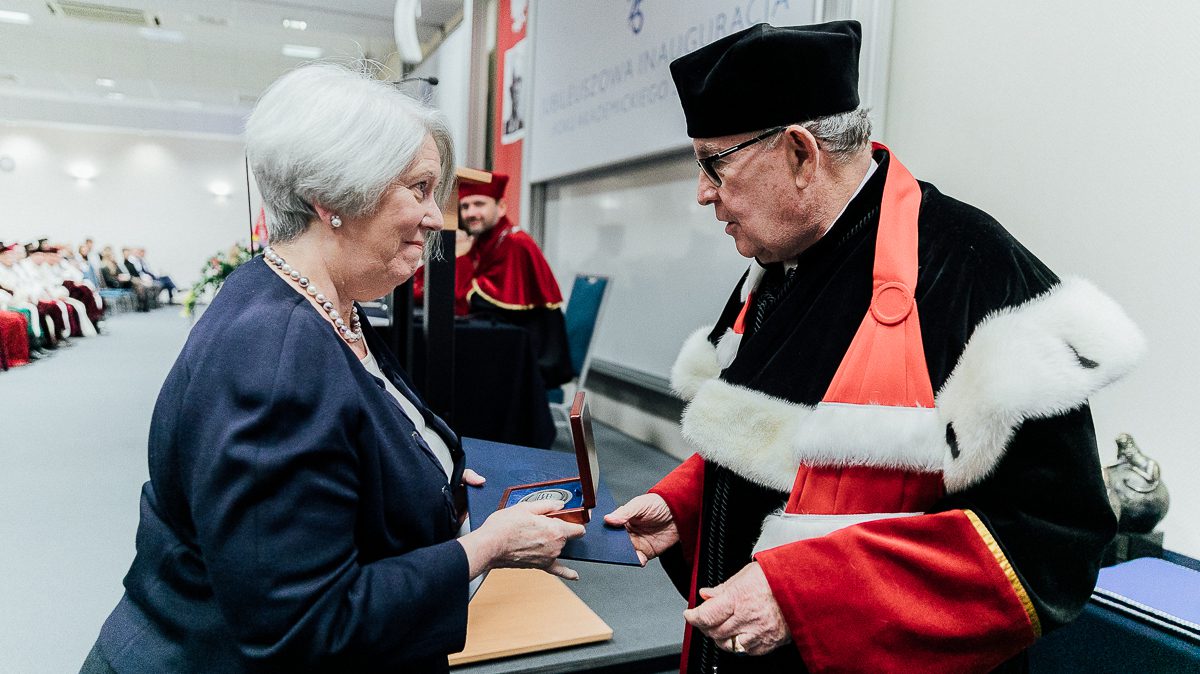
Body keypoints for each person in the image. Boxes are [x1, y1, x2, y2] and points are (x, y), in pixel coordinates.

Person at [605, 21, 1144, 673]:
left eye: (714, 163)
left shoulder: (973, 270)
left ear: (802, 154)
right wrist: (686, 502)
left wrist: (808, 591)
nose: (703, 192)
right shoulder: (782, 263)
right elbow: (795, 448)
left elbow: (1052, 542)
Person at [81, 63, 585, 674]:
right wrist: (486, 547)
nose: (435, 218)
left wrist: (434, 482)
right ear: (333, 198)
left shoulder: (320, 302)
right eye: (419, 189)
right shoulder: (277, 364)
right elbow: (304, 626)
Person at [458, 173, 573, 387]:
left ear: (501, 207)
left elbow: (477, 299)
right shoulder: (484, 242)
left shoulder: (515, 243)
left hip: (531, 359)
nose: (471, 213)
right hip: (505, 346)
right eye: (465, 206)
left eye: (479, 204)